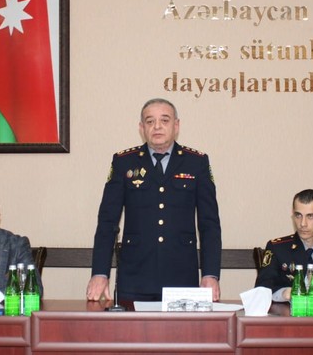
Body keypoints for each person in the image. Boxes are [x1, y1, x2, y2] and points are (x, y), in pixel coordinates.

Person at [87, 98, 222, 302]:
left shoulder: (196, 163)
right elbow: (107, 221)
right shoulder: (124, 162)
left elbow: (209, 224)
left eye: (164, 120)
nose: (157, 126)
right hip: (134, 278)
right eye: (150, 121)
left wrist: (210, 274)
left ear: (176, 125)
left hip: (181, 277)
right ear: (142, 128)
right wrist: (100, 273)